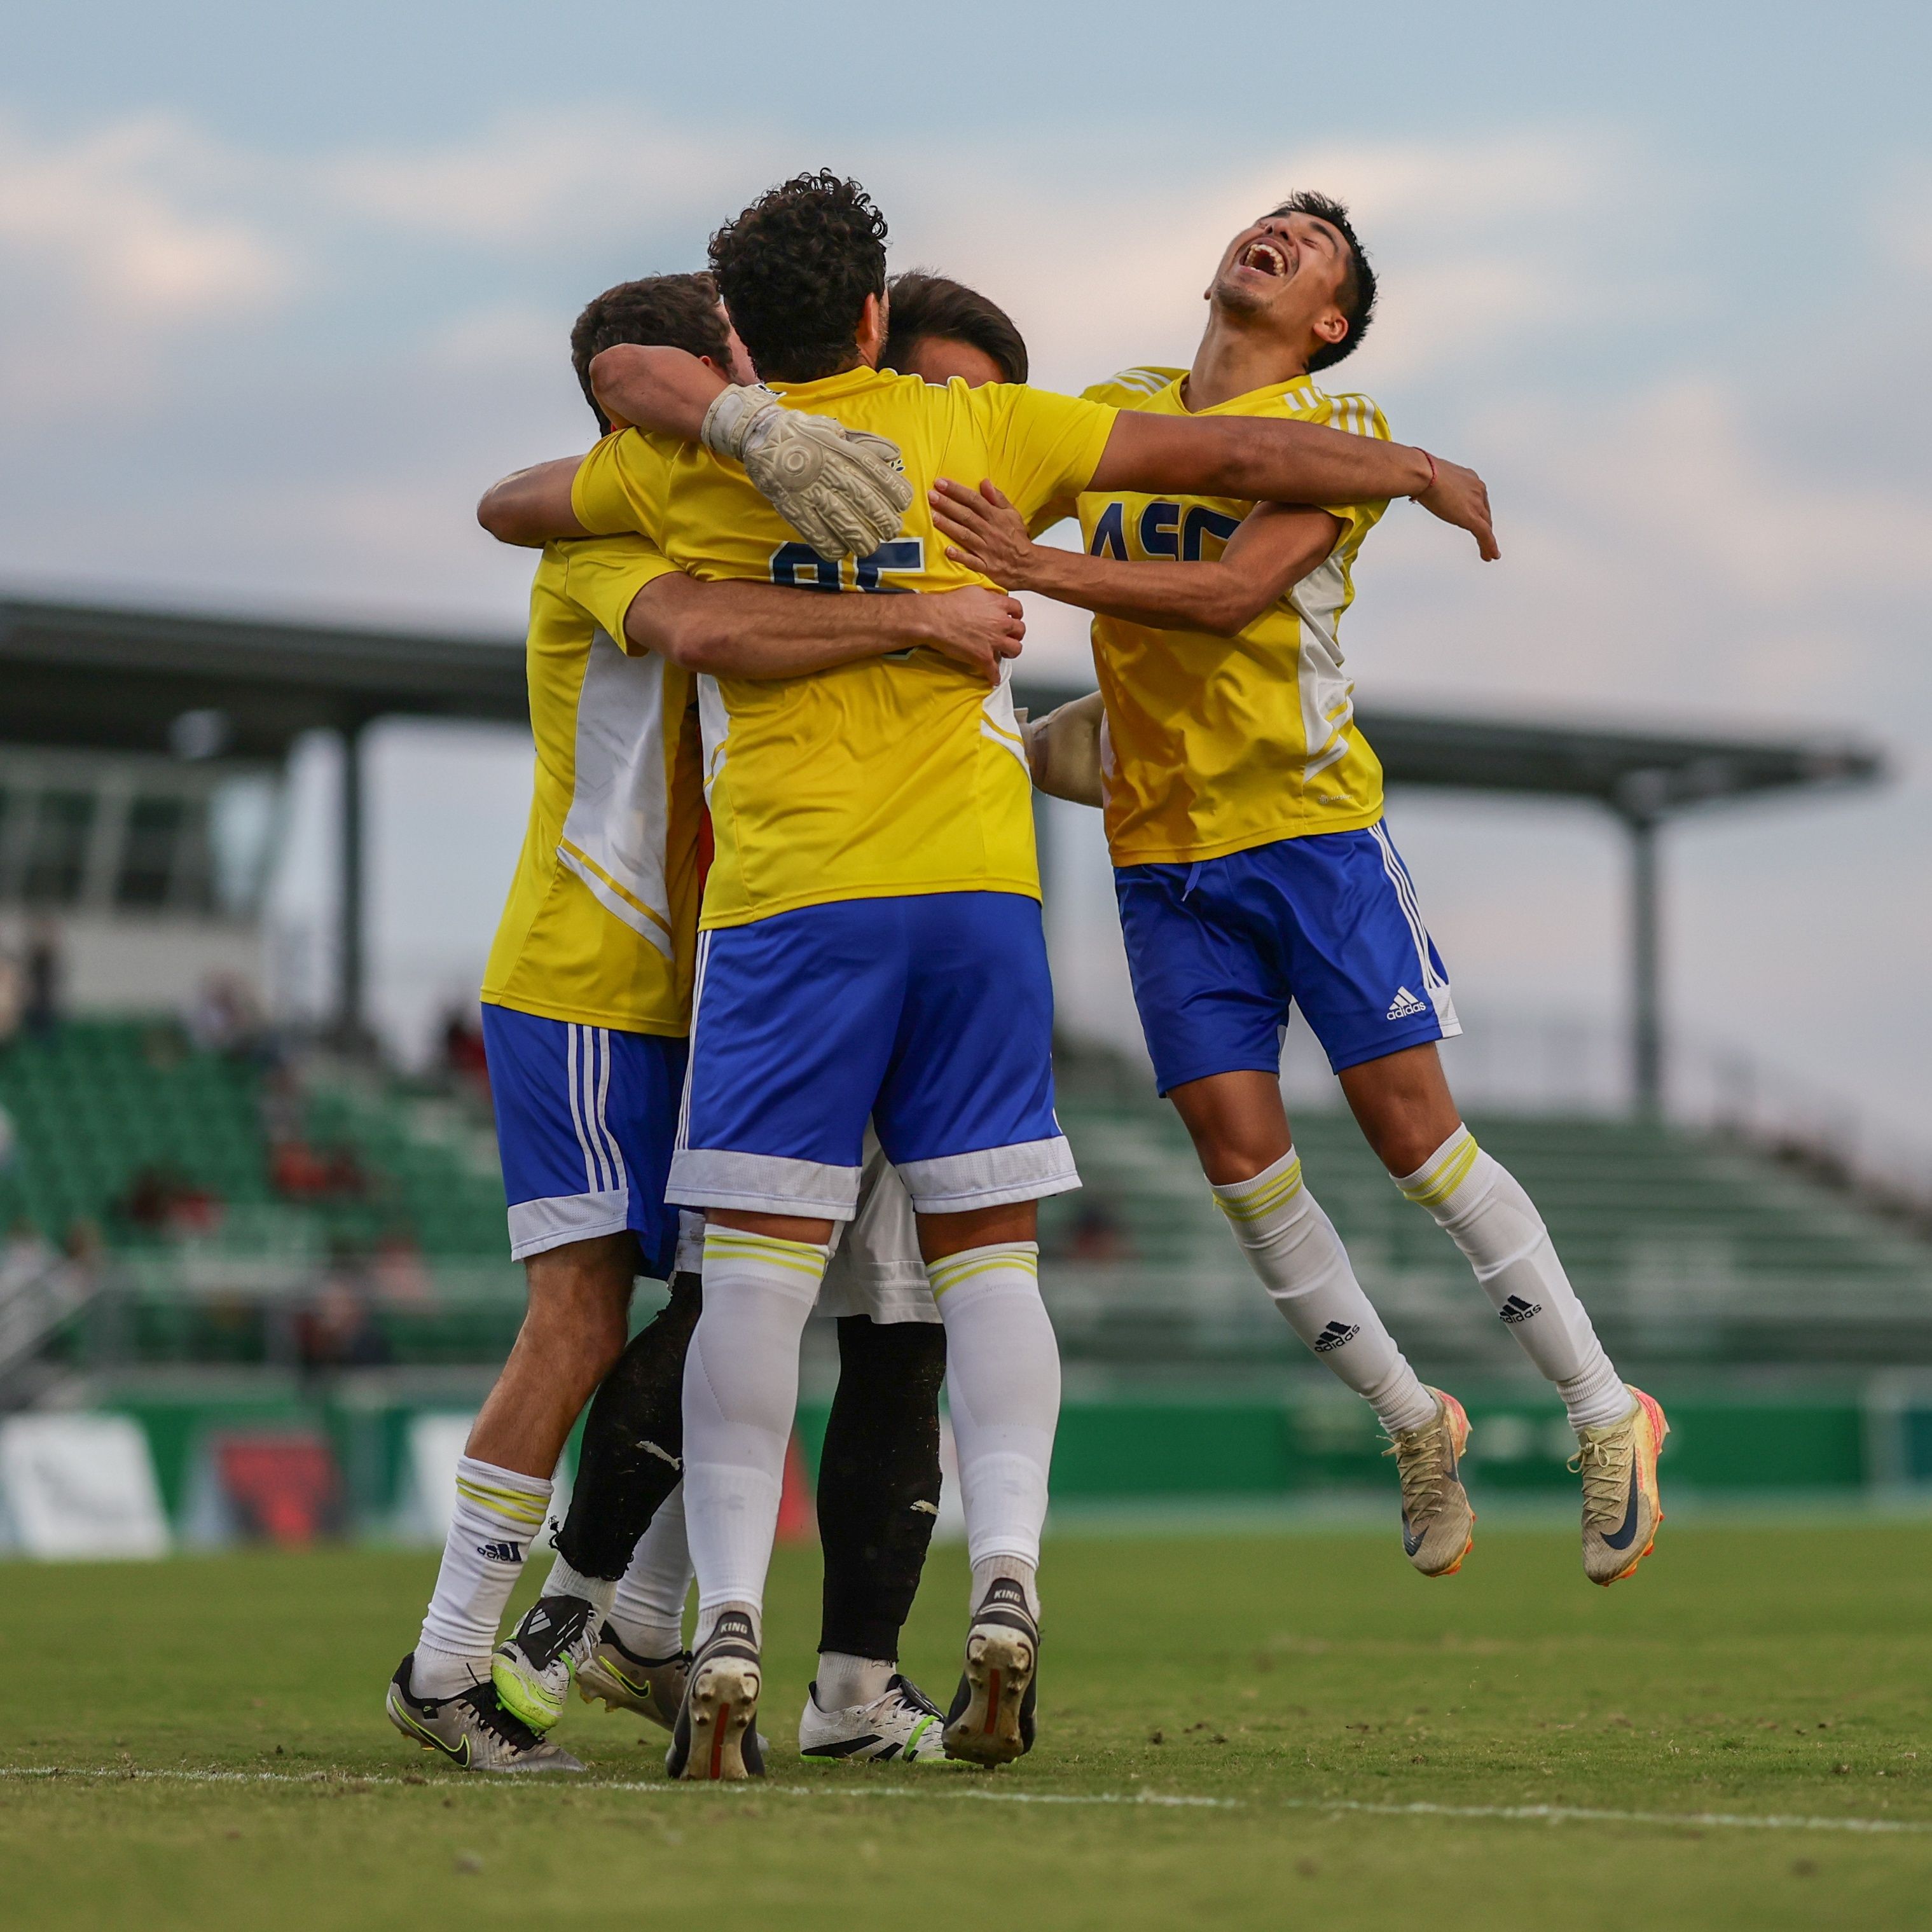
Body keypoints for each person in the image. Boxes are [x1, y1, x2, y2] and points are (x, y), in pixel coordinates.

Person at [479, 169, 1496, 1779]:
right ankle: (1005, 1588)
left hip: (790, 903)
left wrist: (729, 436)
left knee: (745, 1283)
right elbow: (1237, 453)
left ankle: (721, 1622)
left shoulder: (681, 466)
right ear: (880, 315)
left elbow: (516, 504)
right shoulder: (985, 430)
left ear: (741, 327)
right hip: (972, 896)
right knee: (986, 1272)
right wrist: (1412, 470)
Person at [927, 193, 1666, 1587]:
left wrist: (1030, 565)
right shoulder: (1114, 412)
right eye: (1265, 223)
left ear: (1327, 323)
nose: (1272, 237)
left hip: (1312, 834)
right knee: (1240, 1168)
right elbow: (980, 511)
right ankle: (1413, 1421)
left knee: (1412, 1138)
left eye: (1309, 245)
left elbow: (1227, 596)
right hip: (1159, 859)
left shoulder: (1353, 436)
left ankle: (1602, 1409)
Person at [386, 270, 1027, 1776]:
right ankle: (450, 1659)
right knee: (585, 1319)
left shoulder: (693, 505)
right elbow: (705, 627)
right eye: (730, 358)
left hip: (702, 989)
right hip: (587, 983)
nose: (758, 379)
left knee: (725, 1313)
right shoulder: (615, 534)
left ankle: (639, 1626)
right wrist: (918, 616)